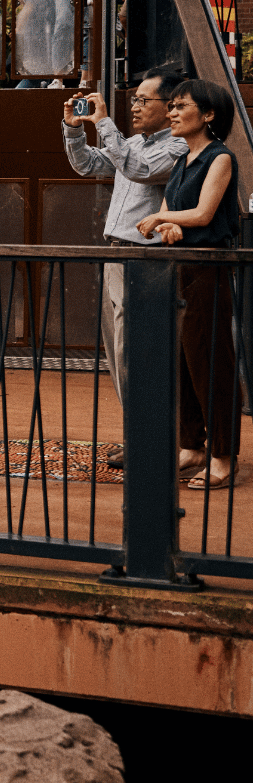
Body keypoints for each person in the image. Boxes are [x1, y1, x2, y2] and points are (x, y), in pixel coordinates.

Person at [64, 65, 188, 460]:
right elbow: (88, 164)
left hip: (145, 258)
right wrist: (73, 129)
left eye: (141, 100)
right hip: (115, 254)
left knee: (136, 350)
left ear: (170, 106)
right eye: (133, 99)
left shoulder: (179, 147)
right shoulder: (131, 142)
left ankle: (155, 440)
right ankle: (140, 434)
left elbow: (140, 170)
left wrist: (103, 123)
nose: (133, 106)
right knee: (117, 351)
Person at [137, 78, 242, 490]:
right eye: (173, 106)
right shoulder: (182, 161)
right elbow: (168, 214)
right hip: (180, 267)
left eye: (182, 106)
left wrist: (167, 222)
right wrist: (167, 227)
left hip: (208, 268)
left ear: (209, 114)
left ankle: (222, 454)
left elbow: (201, 214)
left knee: (210, 359)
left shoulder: (220, 158)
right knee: (183, 360)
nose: (173, 112)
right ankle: (192, 446)